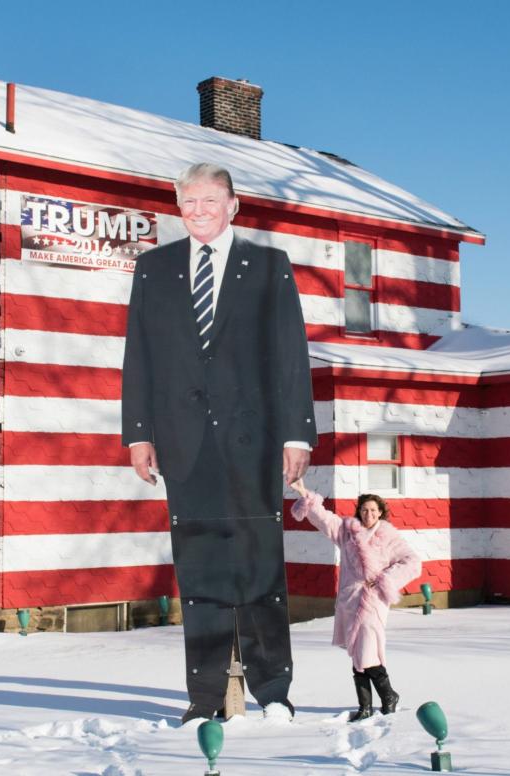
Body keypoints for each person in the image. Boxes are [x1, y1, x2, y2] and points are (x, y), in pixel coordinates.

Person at [121, 162, 316, 724]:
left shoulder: (268, 266)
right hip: (183, 443)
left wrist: (297, 432)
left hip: (255, 440)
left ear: (234, 205)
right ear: (177, 207)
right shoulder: (154, 269)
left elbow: (291, 354)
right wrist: (139, 434)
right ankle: (205, 697)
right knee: (201, 572)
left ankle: (272, 690)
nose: (199, 211)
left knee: (259, 568)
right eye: (189, 202)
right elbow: (140, 356)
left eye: (210, 200)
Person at [290, 483, 421, 721]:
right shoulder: (348, 531)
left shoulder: (389, 537)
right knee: (358, 655)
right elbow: (324, 519)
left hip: (373, 603)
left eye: (373, 510)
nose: (368, 515)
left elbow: (412, 562)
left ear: (381, 512)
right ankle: (366, 706)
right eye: (364, 510)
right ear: (359, 511)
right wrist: (305, 494)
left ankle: (388, 696)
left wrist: (385, 579)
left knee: (368, 652)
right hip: (350, 601)